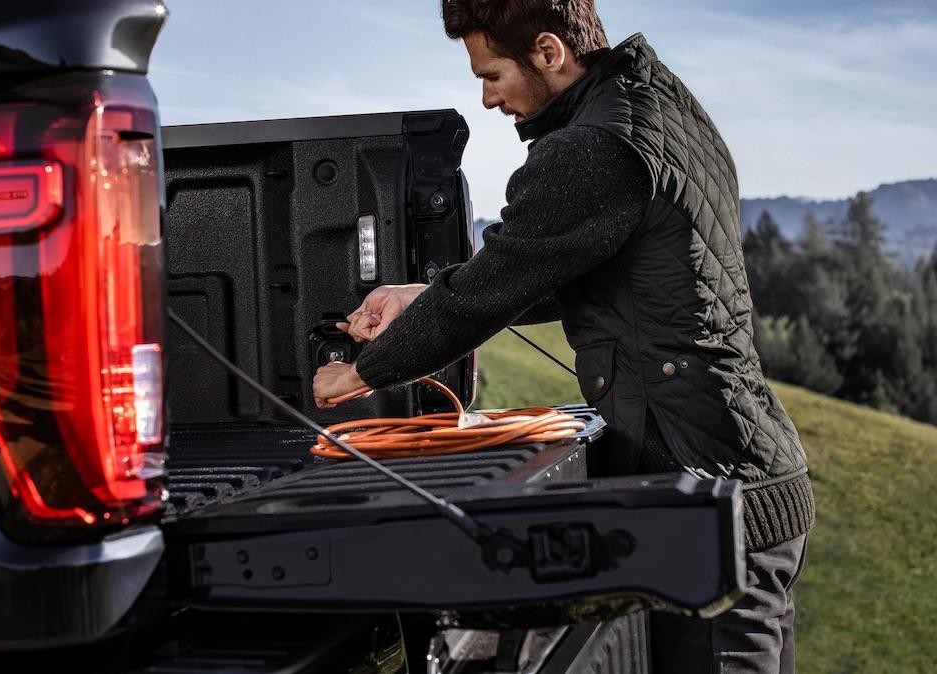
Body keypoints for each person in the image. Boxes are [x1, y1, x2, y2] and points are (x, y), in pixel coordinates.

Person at [312, 1, 815, 672]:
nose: (487, 99)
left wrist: (362, 372)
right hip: (743, 483)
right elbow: (562, 265)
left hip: (719, 498)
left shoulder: (594, 147)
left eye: (492, 75)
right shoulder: (656, 107)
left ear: (550, 52)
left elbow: (499, 282)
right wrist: (422, 294)